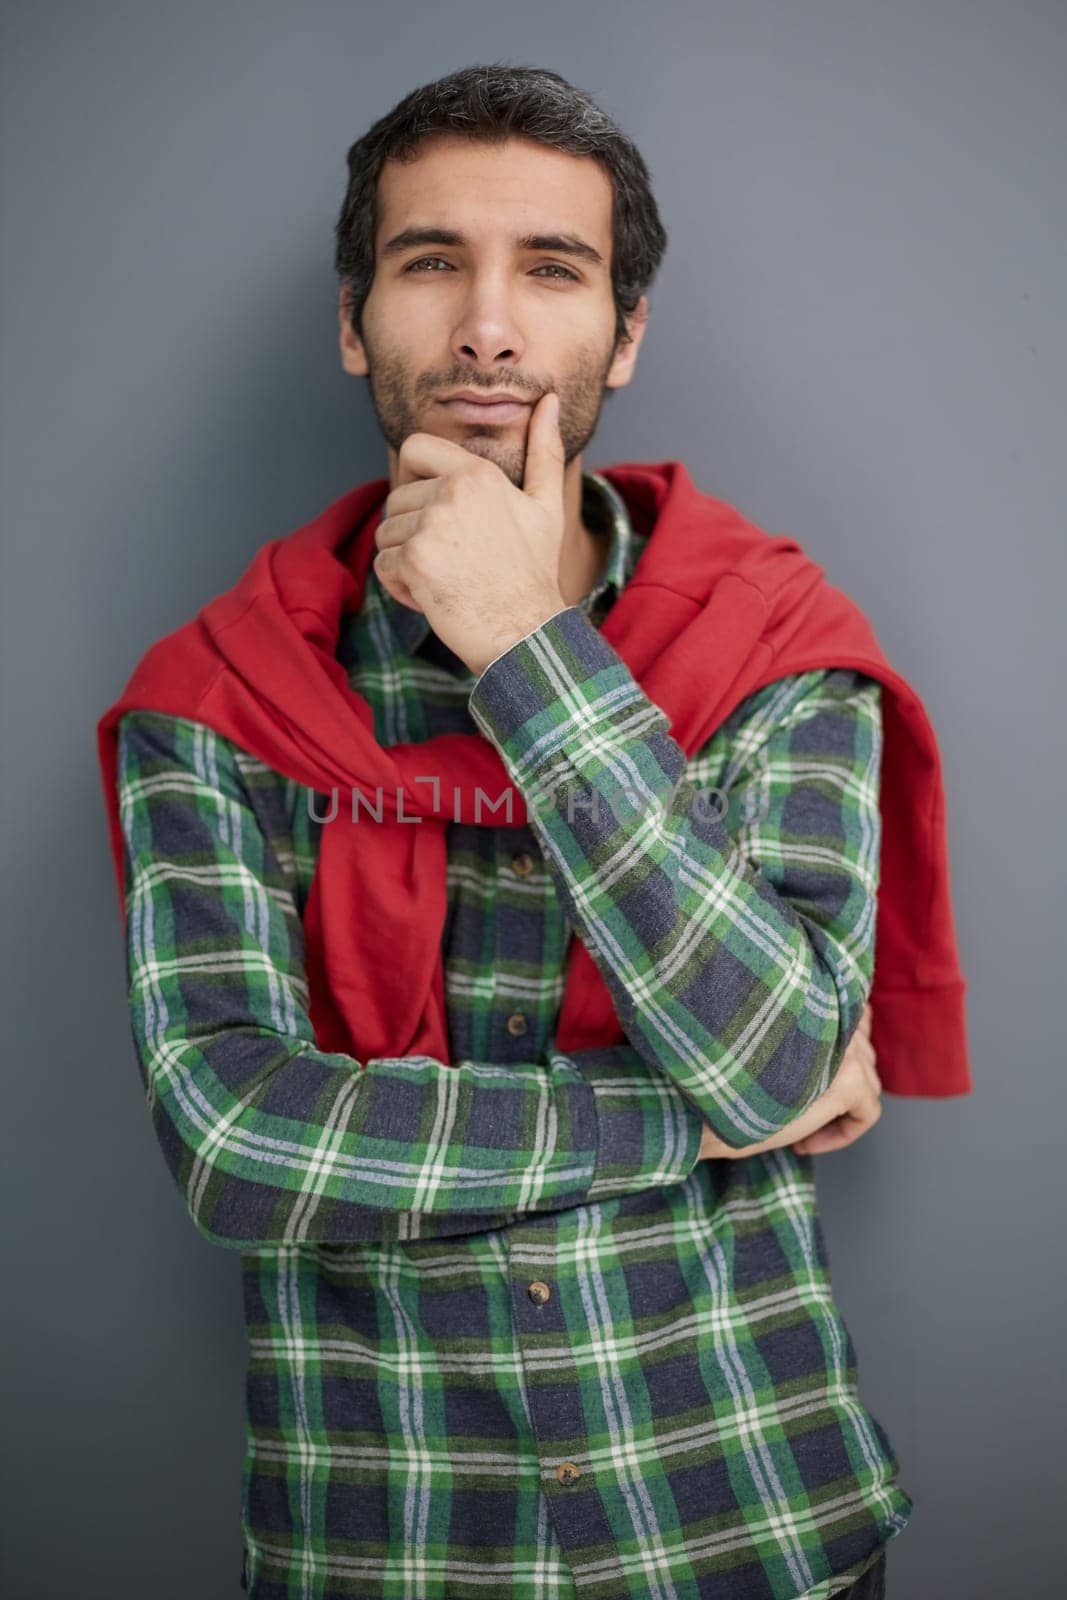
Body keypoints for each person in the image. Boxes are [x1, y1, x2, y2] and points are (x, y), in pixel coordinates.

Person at [96, 63, 970, 1600]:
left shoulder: (777, 646)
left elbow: (774, 1050)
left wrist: (522, 645)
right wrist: (679, 1126)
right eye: (431, 263)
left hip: (746, 1525)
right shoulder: (218, 697)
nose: (489, 326)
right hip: (390, 1545)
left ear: (624, 334)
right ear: (354, 319)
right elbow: (236, 1141)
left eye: (552, 271)